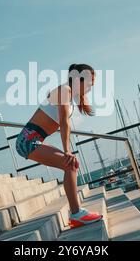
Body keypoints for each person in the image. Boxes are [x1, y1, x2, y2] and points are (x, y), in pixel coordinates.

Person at [15, 63, 103, 229]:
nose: (91, 87)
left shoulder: (69, 94)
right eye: (90, 83)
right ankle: (76, 214)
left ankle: (76, 213)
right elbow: (64, 122)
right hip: (27, 141)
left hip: (35, 139)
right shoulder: (64, 90)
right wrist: (67, 151)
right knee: (70, 164)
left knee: (72, 165)